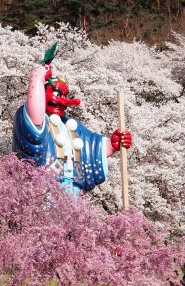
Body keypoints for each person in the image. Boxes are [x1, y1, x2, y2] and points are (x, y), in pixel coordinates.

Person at [12, 48, 132, 196]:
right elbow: (34, 122)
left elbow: (91, 145)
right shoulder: (39, 121)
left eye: (64, 95)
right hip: (43, 188)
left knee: (73, 216)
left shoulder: (73, 127)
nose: (62, 99)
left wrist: (111, 145)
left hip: (73, 187)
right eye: (57, 93)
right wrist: (37, 80)